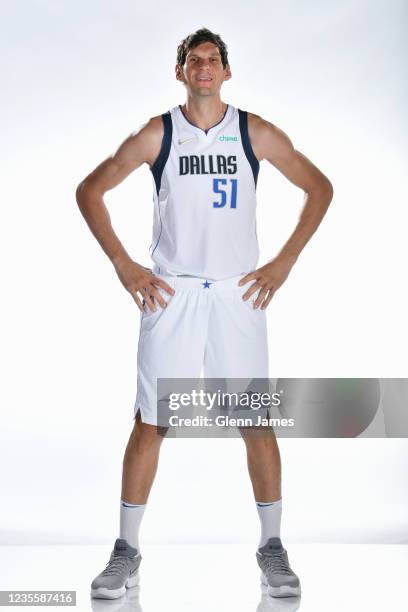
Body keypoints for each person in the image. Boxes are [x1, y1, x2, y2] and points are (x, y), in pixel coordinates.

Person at [76, 27, 333, 600]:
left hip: (238, 293)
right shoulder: (158, 133)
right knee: (152, 421)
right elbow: (90, 190)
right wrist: (124, 264)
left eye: (213, 60)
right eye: (194, 60)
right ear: (180, 71)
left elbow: (319, 187)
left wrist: (284, 262)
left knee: (254, 419)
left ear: (226, 70)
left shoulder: (253, 131)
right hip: (173, 292)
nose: (204, 68)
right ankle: (127, 550)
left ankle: (272, 546)